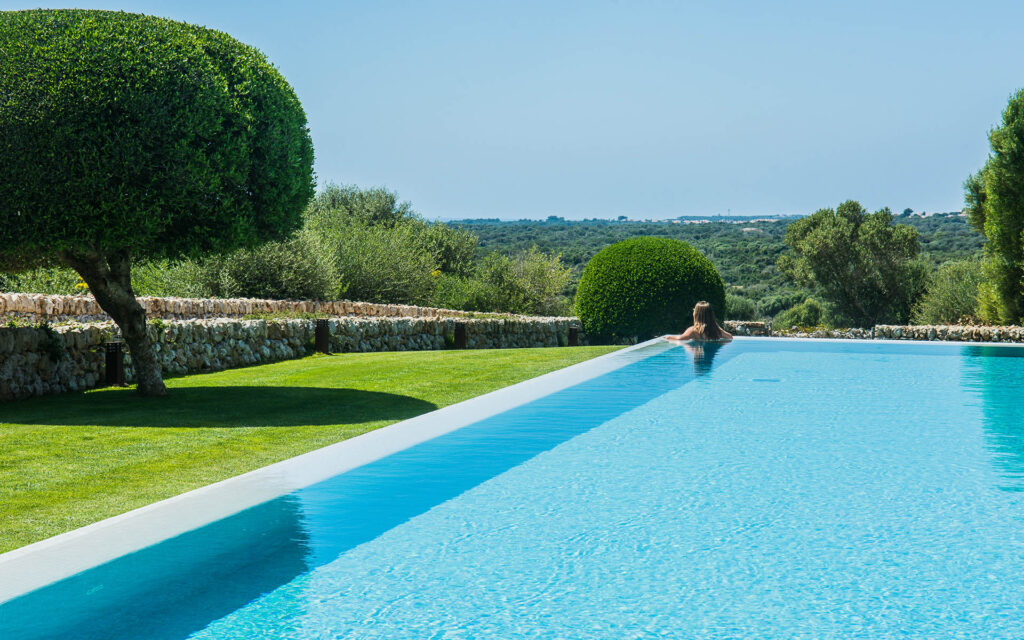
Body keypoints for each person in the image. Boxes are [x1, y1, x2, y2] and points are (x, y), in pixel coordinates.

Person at [664, 301, 733, 342]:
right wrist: (717, 326)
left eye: (694, 310)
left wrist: (667, 337)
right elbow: (730, 337)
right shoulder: (716, 330)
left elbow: (680, 339)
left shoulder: (693, 330)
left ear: (696, 314)